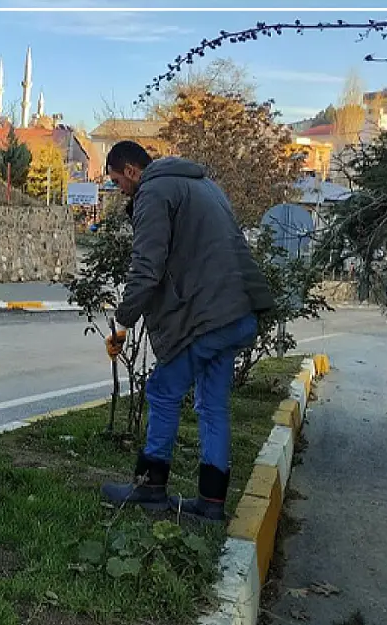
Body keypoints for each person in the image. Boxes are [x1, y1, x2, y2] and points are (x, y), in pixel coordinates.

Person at [98, 141, 274, 523]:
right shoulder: (204, 184)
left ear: (130, 171)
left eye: (116, 181)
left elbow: (147, 265)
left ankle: (150, 487)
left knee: (162, 390)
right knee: (213, 404)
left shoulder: (154, 192)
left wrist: (123, 323)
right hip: (235, 311)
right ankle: (211, 503)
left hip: (205, 315)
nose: (118, 190)